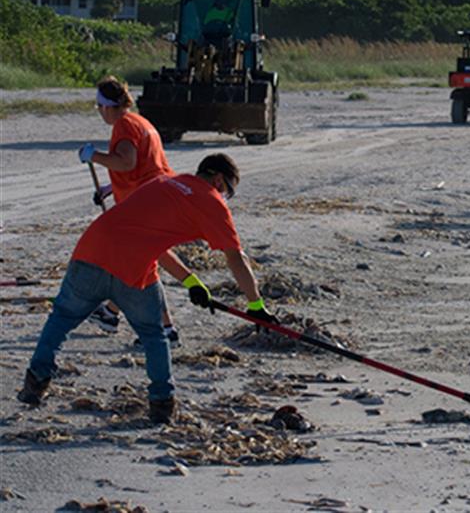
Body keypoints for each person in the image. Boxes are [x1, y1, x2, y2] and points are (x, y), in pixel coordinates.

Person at [16, 154, 277, 424]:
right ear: (218, 179)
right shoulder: (211, 201)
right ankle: (162, 404)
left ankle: (34, 386)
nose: (224, 197)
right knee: (154, 335)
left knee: (61, 319)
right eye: (227, 191)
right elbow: (235, 257)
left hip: (91, 250)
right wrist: (256, 305)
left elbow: (153, 243)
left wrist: (191, 281)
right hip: (132, 268)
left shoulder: (165, 181)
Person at [81, 76, 179, 346]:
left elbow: (126, 162)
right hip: (155, 199)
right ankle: (111, 313)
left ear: (108, 106)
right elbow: (143, 167)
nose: (99, 112)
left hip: (145, 208)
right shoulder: (139, 121)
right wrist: (110, 189)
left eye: (99, 106)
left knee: (143, 267)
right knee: (133, 263)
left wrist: (94, 156)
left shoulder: (124, 125)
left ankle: (165, 329)